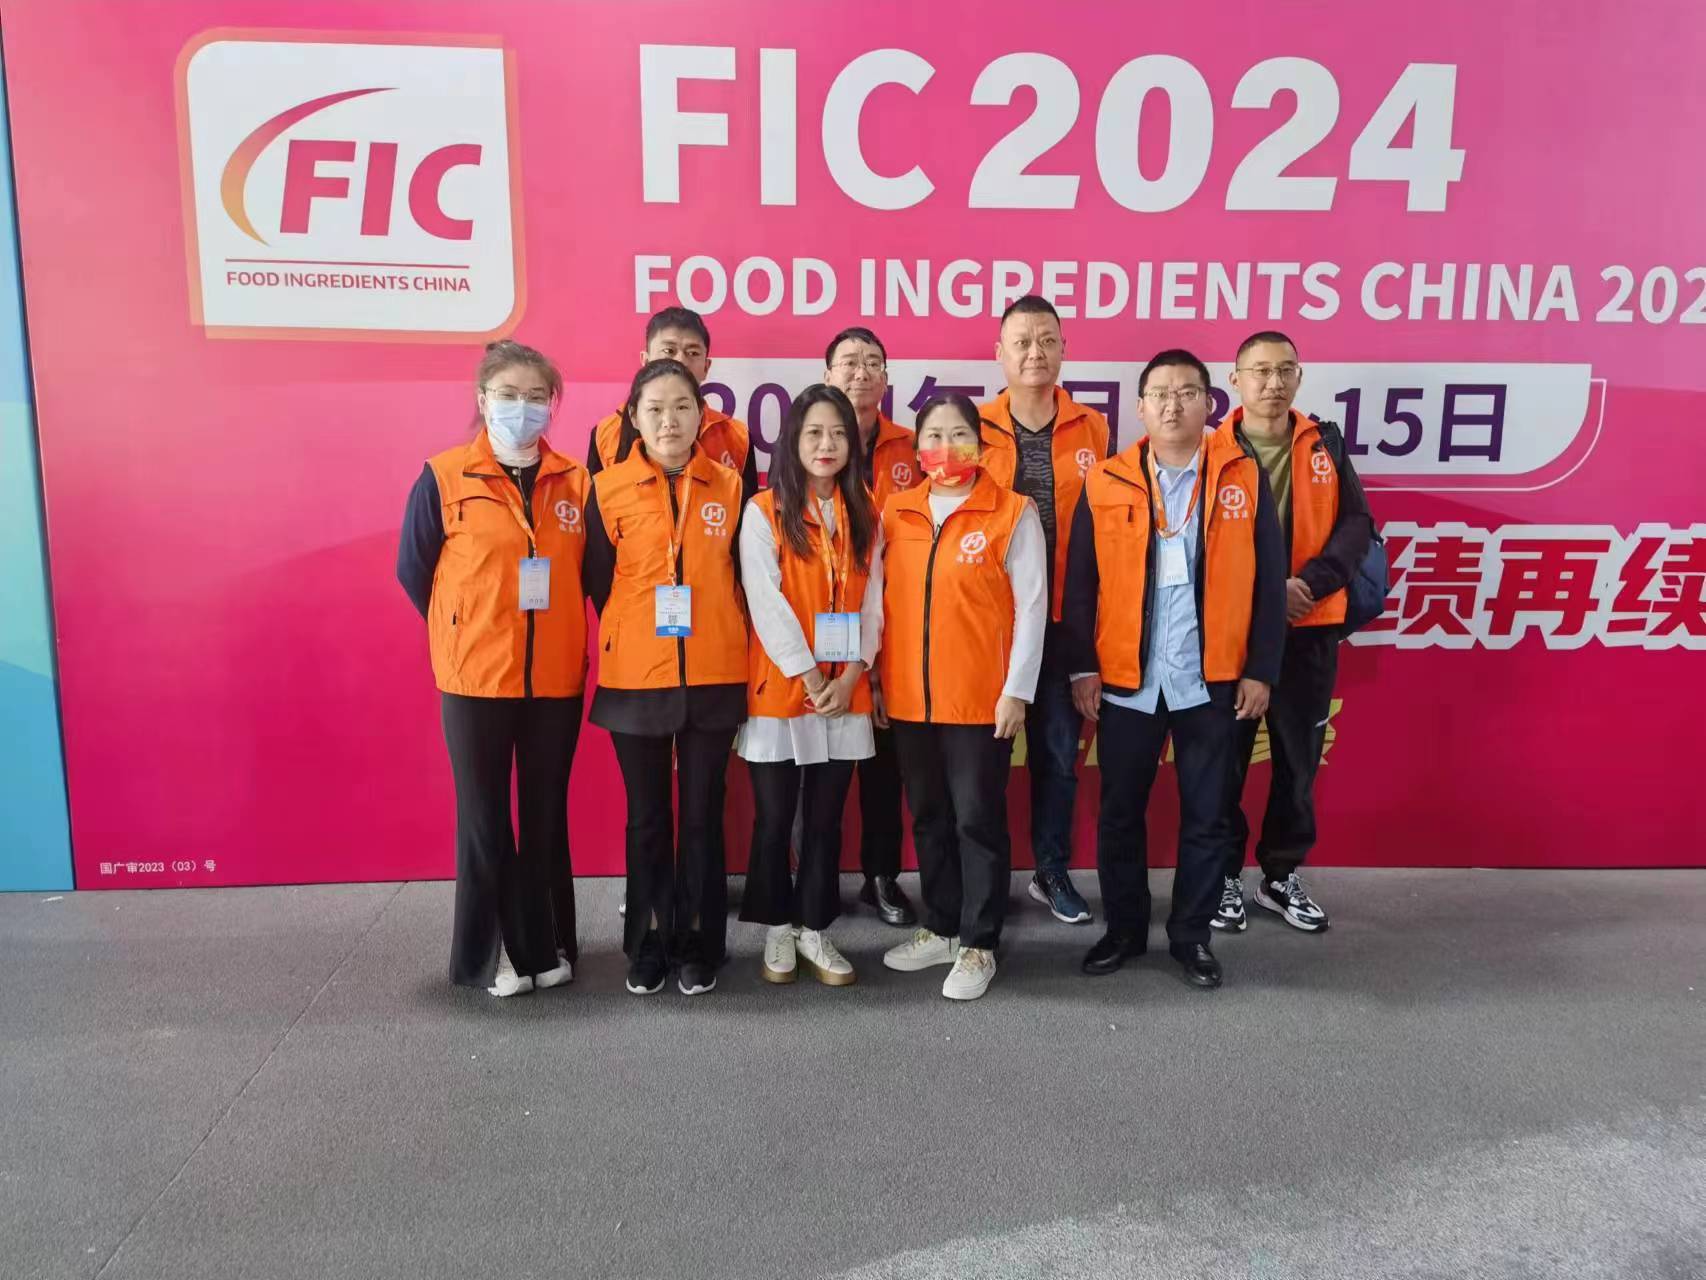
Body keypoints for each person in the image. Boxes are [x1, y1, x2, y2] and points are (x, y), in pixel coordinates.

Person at [1063, 349, 1285, 989]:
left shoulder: (1242, 478)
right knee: (1119, 814)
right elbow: (1080, 584)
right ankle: (1125, 930)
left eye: (1187, 392)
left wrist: (1260, 669)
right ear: (1139, 407)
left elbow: (1269, 583)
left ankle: (1191, 937)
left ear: (1209, 404)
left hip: (1210, 680)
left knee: (1209, 815)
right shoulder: (1106, 481)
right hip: (1127, 680)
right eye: (1160, 393)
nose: (1172, 405)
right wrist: (1082, 667)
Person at [396, 340, 588, 998]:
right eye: (508, 395)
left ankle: (547, 944)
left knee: (543, 817)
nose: (522, 408)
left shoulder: (575, 481)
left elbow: (594, 575)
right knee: (484, 820)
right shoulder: (444, 476)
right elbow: (414, 570)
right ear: (482, 400)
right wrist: (464, 625)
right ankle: (495, 954)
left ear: (552, 405)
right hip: (474, 679)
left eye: (536, 397)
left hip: (554, 680)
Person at [583, 358, 748, 997]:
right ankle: (648, 942)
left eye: (682, 407)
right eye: (654, 409)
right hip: (636, 676)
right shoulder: (606, 489)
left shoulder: (730, 487)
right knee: (647, 817)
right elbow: (599, 579)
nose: (669, 420)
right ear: (634, 417)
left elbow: (742, 576)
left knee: (703, 813)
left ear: (701, 416)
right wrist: (635, 631)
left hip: (715, 671)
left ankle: (700, 943)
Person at [875, 392, 1047, 1000]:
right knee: (928, 817)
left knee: (977, 819)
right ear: (916, 446)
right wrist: (876, 678)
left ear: (980, 443)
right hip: (910, 699)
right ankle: (943, 926)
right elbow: (877, 601)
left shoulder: (1012, 511)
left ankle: (979, 942)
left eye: (958, 435)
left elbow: (1032, 607)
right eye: (933, 435)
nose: (945, 447)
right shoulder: (896, 511)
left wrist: (1016, 691)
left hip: (980, 700)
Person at [1212, 332, 1373, 934]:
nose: (1272, 383)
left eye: (1284, 370)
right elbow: (1197, 542)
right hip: (1235, 632)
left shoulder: (1324, 443)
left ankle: (1279, 875)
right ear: (1235, 381)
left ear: (1299, 377)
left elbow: (1357, 524)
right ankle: (1223, 875)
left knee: (1298, 762)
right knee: (1224, 762)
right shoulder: (1210, 450)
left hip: (1311, 629)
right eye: (1259, 371)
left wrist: (1309, 583)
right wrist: (1265, 594)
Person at [736, 384, 882, 986]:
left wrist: (850, 677)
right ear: (792, 440)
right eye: (815, 432)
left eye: (839, 433)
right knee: (775, 818)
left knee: (825, 820)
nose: (827, 444)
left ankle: (815, 927)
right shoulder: (762, 510)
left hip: (846, 691)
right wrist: (812, 675)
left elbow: (875, 603)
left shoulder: (866, 511)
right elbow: (766, 603)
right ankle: (778, 926)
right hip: (782, 688)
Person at [979, 296, 1109, 928]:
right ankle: (986, 879)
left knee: (1058, 757)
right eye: (1022, 341)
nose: (1035, 352)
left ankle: (1050, 870)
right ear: (999, 353)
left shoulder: (1094, 428)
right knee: (986, 761)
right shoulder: (973, 428)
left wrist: (1086, 651)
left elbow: (1105, 540)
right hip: (990, 626)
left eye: (1047, 340)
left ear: (1063, 349)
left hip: (1062, 622)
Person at [822, 325, 921, 928]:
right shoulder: (807, 445)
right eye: (849, 362)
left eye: (873, 362)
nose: (861, 372)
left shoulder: (914, 447)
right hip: (822, 634)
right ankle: (814, 882)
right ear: (827, 374)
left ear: (887, 377)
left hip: (895, 632)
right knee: (819, 772)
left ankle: (881, 876)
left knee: (885, 769)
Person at [587, 306, 759, 508]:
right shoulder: (607, 434)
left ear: (706, 367)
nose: (680, 361)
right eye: (669, 351)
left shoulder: (737, 438)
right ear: (646, 360)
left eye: (692, 353)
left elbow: (748, 518)